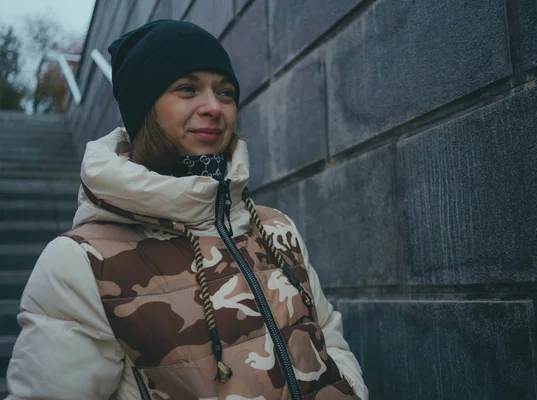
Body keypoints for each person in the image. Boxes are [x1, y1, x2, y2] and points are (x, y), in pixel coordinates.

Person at [5, 19, 367, 400]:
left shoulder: (277, 229)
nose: (213, 107)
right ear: (145, 107)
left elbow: (330, 338)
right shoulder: (82, 262)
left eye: (226, 92)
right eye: (187, 89)